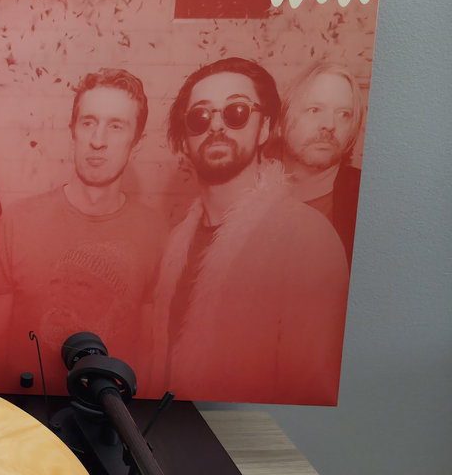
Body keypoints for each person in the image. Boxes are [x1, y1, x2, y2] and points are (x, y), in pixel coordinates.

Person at [149, 57, 350, 405]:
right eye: (200, 117)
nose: (216, 125)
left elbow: (311, 394)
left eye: (236, 112)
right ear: (184, 140)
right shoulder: (174, 244)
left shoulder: (309, 239)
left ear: (264, 128)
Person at [0, 68, 168, 391]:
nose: (97, 141)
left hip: (111, 411)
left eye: (116, 126)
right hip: (27, 410)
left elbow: (151, 352)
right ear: (73, 132)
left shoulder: (157, 233)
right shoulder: (18, 221)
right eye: (88, 123)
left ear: (136, 142)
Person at [279, 62, 365, 265]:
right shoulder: (244, 192)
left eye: (344, 114)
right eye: (314, 110)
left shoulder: (366, 199)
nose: (329, 124)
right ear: (282, 121)